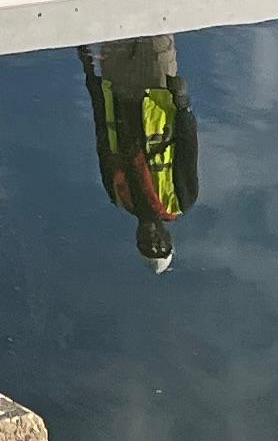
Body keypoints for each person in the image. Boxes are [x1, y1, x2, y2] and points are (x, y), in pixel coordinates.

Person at [80, 37, 200, 270]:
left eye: (145, 246)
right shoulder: (181, 200)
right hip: (156, 87)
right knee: (156, 26)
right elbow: (188, 148)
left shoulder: (118, 196)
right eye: (160, 246)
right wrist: (184, 105)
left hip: (117, 88)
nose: (152, 241)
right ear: (168, 239)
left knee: (114, 20)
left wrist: (91, 77)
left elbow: (103, 136)